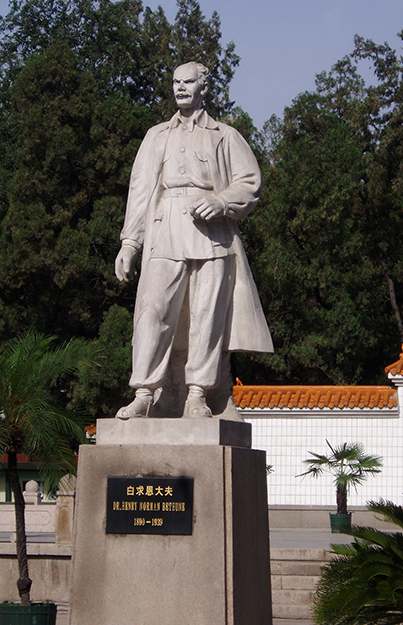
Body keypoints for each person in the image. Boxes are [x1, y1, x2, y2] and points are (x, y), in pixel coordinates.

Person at [114, 61, 273, 419]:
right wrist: (130, 243)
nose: (180, 88)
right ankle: (144, 392)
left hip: (211, 234)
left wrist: (220, 201)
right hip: (164, 227)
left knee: (207, 317)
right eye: (175, 82)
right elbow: (139, 192)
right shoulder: (156, 135)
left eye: (188, 82)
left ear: (204, 87)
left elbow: (249, 183)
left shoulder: (224, 135)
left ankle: (198, 394)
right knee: (152, 311)